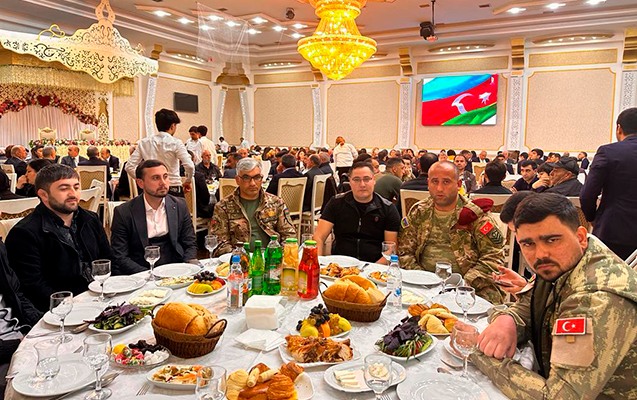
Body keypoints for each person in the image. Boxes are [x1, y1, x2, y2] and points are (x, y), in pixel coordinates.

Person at [472, 193, 637, 399]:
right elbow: (531, 306)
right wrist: (507, 320)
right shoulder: (564, 262)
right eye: (528, 244)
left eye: (551, 240)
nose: (540, 254)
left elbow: (559, 396)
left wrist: (478, 354)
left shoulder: (595, 299)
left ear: (580, 237)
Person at [5, 164, 111, 311]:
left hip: (101, 298)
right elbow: (33, 287)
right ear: (44, 195)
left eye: (76, 187)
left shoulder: (90, 219)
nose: (73, 194)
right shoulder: (24, 234)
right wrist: (75, 305)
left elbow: (108, 259)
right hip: (62, 310)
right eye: (64, 188)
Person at [398, 161, 506, 304]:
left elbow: (494, 257)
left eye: (446, 182)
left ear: (458, 184)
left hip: (471, 287)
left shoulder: (475, 215)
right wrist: (424, 279)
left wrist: (465, 283)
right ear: (428, 183)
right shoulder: (419, 211)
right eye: (434, 182)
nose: (439, 188)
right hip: (424, 285)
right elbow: (404, 252)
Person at [111, 160, 197, 275]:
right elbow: (120, 256)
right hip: (141, 271)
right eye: (156, 178)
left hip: (176, 269)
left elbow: (190, 243)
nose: (163, 183)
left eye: (165, 177)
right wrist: (149, 275)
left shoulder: (179, 205)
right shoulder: (124, 212)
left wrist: (186, 267)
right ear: (140, 183)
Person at [314, 161, 400, 263]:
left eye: (367, 179)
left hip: (374, 265)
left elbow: (391, 249)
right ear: (350, 181)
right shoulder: (336, 203)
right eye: (356, 180)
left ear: (374, 180)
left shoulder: (388, 209)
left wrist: (372, 268)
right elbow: (319, 236)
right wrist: (317, 262)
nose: (362, 184)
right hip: (340, 263)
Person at [581, 107, 637, 259]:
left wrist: (592, 218)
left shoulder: (608, 152)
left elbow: (588, 195)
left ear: (619, 128)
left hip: (613, 229)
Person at [211, 158, 296, 255]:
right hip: (239, 259)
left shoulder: (276, 203)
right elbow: (219, 243)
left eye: (257, 177)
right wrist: (242, 257)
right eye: (246, 178)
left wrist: (278, 254)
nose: (252, 183)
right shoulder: (223, 207)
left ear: (262, 179)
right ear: (237, 180)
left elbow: (289, 235)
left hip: (272, 258)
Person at [125, 108, 194, 197]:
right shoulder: (176, 143)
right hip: (172, 188)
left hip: (151, 189)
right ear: (172, 126)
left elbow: (129, 167)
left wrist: (145, 180)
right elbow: (190, 166)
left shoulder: (144, 143)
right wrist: (188, 181)